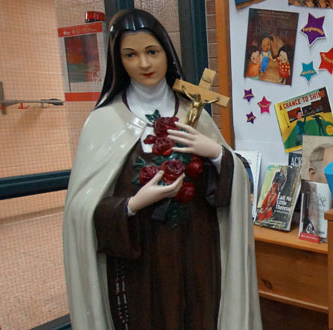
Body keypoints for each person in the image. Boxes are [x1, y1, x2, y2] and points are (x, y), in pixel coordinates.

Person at [63, 9, 261, 330]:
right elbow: (81, 213)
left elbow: (235, 182)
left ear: (167, 54)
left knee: (201, 315)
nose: (144, 64)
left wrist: (216, 154)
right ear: (118, 61)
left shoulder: (192, 111)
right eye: (131, 55)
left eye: (152, 52)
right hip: (143, 260)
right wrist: (133, 204)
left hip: (199, 248)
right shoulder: (103, 122)